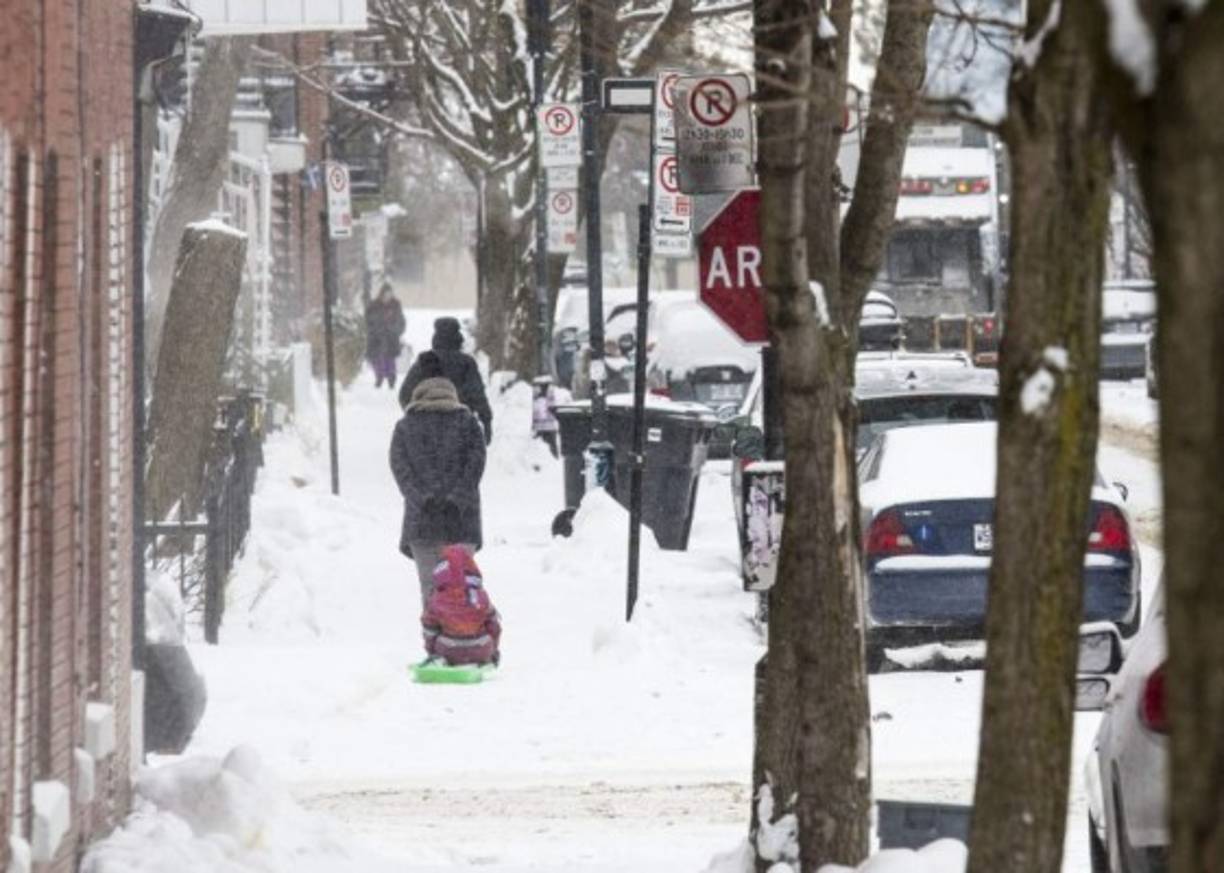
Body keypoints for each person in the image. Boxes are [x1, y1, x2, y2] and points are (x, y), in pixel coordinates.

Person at [389, 376, 487, 609]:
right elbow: (475, 467)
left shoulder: (405, 427)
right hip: (462, 522)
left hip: (423, 524)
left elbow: (401, 471)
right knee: (463, 589)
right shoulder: (468, 424)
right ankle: (465, 641)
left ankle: (436, 642)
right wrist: (457, 499)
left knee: (431, 592)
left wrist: (422, 500)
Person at [398, 317, 493, 444]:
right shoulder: (466, 363)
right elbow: (477, 395)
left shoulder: (425, 361)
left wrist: (415, 415)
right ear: (458, 337)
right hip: (460, 426)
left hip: (427, 426)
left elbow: (405, 394)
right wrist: (486, 421)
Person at [421, 545, 501, 667]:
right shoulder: (480, 596)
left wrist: (432, 652)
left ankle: (442, 661)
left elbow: (429, 629)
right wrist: (493, 650)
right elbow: (494, 625)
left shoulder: (437, 599)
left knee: (440, 632)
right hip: (481, 650)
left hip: (448, 651)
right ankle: (482, 659)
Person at [365, 283, 406, 389]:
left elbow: (400, 321)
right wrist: (377, 329)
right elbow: (369, 320)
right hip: (376, 338)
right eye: (386, 294)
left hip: (391, 338)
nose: (387, 296)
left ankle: (391, 378)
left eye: (389, 294)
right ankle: (379, 376)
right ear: (381, 294)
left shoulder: (396, 305)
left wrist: (395, 329)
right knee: (377, 358)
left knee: (390, 359)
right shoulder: (374, 305)